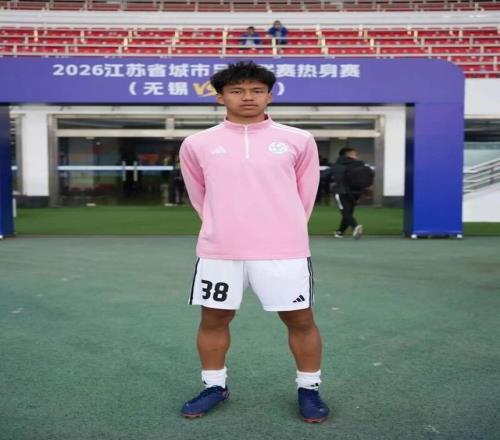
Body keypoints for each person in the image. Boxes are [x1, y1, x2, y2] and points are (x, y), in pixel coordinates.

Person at [179, 61, 330, 423]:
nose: (248, 97)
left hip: (283, 250)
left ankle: (309, 389)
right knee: (214, 317)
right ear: (220, 97)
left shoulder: (298, 139)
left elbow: (305, 195)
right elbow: (199, 196)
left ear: (269, 96)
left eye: (257, 90)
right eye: (237, 90)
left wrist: (283, 229)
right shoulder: (197, 144)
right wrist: (223, 227)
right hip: (221, 250)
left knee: (300, 319)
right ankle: (214, 386)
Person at [332, 147, 372, 239]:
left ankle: (355, 226)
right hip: (356, 192)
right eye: (355, 154)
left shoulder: (338, 165)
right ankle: (340, 232)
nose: (356, 156)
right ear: (348, 154)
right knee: (348, 212)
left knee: (345, 212)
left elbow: (330, 176)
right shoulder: (360, 164)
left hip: (342, 191)